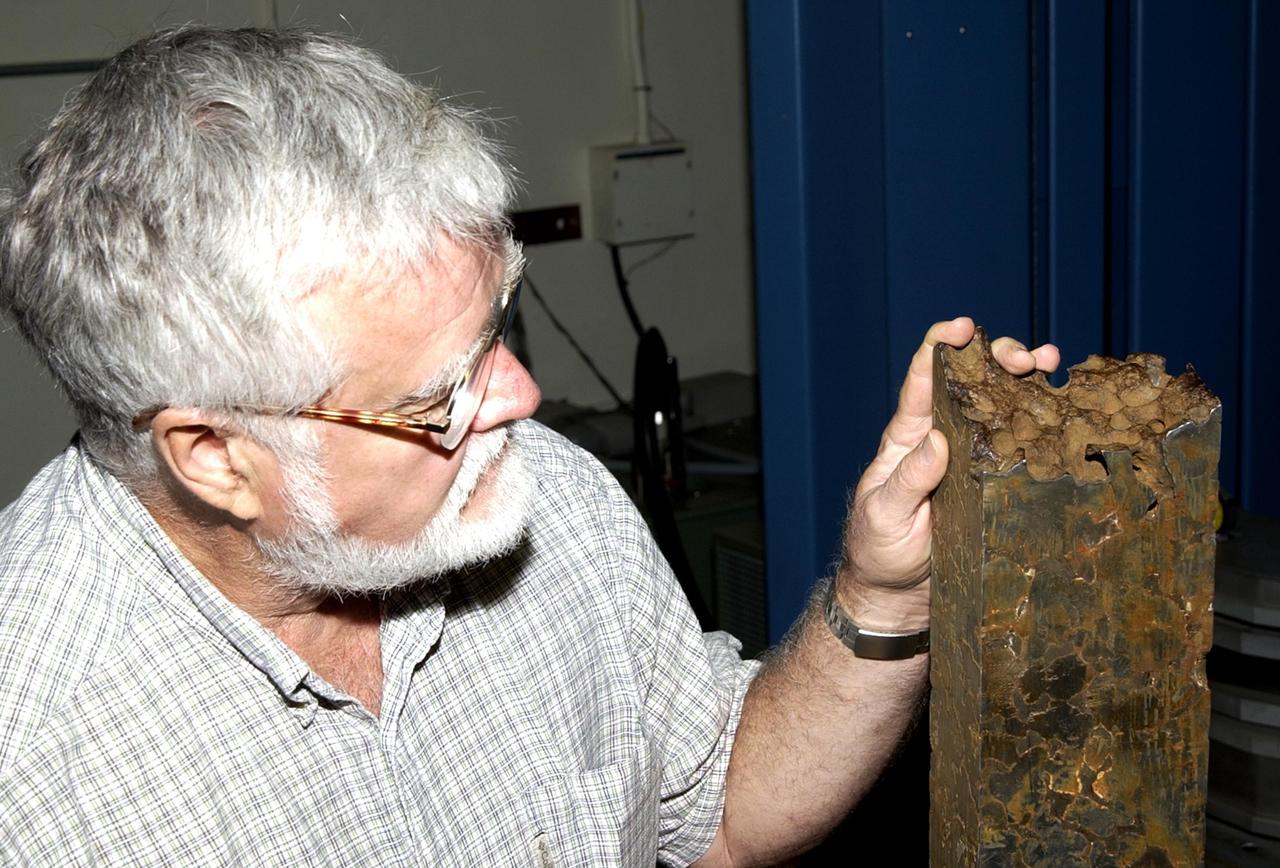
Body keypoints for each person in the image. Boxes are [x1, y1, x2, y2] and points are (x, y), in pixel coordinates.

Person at [0, 27, 1058, 865]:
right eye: (436, 394)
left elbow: (725, 813)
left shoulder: (540, 492)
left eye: (495, 328)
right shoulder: (34, 771)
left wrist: (886, 595)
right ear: (213, 455)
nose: (521, 398)